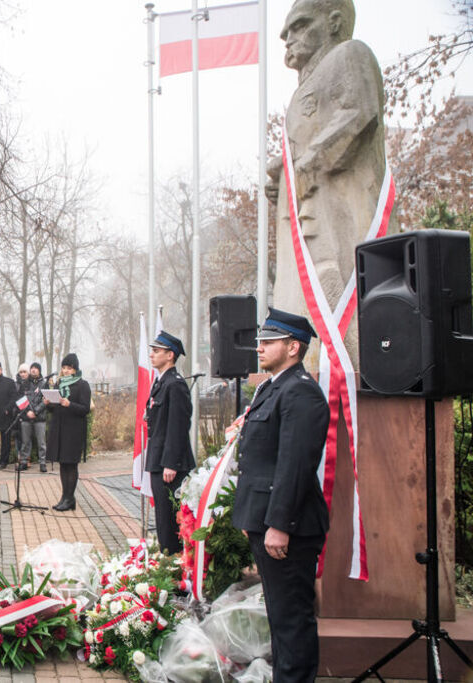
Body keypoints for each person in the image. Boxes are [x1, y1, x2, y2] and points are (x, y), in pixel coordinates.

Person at [267, 0, 395, 362]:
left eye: (299, 25)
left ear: (334, 21)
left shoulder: (349, 55)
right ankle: (316, 360)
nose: (284, 37)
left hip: (342, 210)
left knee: (340, 289)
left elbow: (359, 112)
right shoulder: (300, 90)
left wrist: (308, 164)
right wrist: (285, 172)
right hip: (308, 210)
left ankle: (352, 363)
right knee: (314, 293)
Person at [233, 309, 329, 682]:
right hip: (268, 520)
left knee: (292, 621)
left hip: (290, 526)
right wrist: (254, 519)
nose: (259, 347)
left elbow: (294, 466)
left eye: (268, 342)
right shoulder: (275, 387)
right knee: (281, 616)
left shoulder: (300, 391)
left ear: (293, 347)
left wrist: (277, 524)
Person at [144, 331, 195, 555]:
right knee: (163, 520)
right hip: (159, 460)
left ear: (170, 355)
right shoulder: (162, 382)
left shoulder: (175, 385)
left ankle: (175, 569)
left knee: (170, 522)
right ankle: (168, 562)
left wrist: (171, 463)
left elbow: (178, 426)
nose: (152, 355)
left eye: (156, 351)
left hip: (168, 464)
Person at [43, 353, 91, 511]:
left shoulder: (83, 385)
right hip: (59, 429)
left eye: (69, 368)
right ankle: (64, 497)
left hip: (74, 431)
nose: (65, 371)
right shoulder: (59, 384)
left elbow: (85, 409)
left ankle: (70, 498)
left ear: (75, 369)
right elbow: (55, 409)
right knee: (63, 464)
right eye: (63, 368)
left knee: (71, 465)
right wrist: (49, 403)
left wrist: (69, 404)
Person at [18, 362, 49, 473]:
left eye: (36, 368)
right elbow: (20, 399)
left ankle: (42, 463)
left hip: (39, 418)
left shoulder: (44, 384)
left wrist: (35, 411)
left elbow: (45, 401)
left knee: (41, 442)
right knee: (25, 442)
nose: (34, 370)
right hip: (26, 418)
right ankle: (24, 462)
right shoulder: (24, 384)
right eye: (32, 368)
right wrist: (28, 412)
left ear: (39, 371)